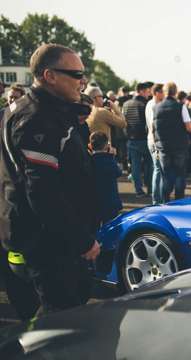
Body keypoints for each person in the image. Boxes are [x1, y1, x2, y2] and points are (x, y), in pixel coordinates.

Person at [0, 43, 100, 316]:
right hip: (49, 244)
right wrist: (82, 240)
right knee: (65, 323)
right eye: (76, 74)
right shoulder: (37, 118)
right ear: (49, 76)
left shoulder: (39, 110)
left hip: (41, 235)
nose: (83, 82)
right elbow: (43, 193)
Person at [154, 82, 191, 203]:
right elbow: (189, 128)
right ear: (175, 92)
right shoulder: (181, 106)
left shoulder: (156, 107)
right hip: (179, 147)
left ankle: (165, 202)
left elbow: (153, 127)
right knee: (179, 175)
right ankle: (179, 202)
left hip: (163, 147)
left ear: (164, 92)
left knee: (166, 176)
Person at [122, 82, 152, 197]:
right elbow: (147, 123)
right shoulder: (144, 104)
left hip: (130, 138)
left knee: (135, 166)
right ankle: (150, 189)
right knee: (149, 165)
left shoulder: (126, 104)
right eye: (147, 91)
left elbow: (124, 121)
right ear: (141, 91)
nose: (148, 94)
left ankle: (138, 190)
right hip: (143, 139)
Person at [89, 131, 122, 225]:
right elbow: (118, 172)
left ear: (90, 146)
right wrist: (112, 156)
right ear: (106, 146)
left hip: (95, 201)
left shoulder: (90, 160)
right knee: (112, 226)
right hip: (111, 202)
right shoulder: (109, 160)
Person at [145, 83, 164, 205]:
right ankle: (157, 200)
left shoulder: (150, 104)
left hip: (152, 140)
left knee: (157, 170)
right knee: (158, 170)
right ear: (157, 92)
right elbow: (153, 126)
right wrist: (157, 143)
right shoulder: (153, 105)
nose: (164, 94)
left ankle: (157, 199)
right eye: (162, 92)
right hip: (155, 141)